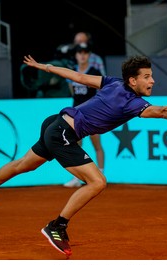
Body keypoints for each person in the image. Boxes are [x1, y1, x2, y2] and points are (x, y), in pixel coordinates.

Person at [0, 55, 167, 257]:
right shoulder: (132, 103)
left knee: (23, 165)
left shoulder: (113, 82)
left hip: (55, 122)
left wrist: (46, 66)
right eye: (147, 77)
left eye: (151, 76)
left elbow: (78, 77)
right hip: (63, 132)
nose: (152, 81)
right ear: (133, 80)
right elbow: (164, 111)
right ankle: (57, 226)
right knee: (97, 182)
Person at [63, 42, 105, 187]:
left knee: (96, 145)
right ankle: (77, 178)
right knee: (76, 146)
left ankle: (101, 175)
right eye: (80, 52)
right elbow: (72, 91)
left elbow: (100, 93)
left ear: (89, 55)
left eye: (85, 52)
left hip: (92, 115)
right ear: (76, 55)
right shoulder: (72, 71)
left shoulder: (94, 71)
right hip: (75, 114)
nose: (82, 55)